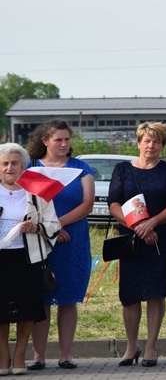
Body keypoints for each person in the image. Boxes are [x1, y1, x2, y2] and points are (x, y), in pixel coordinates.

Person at [108, 122, 166, 368]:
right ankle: (132, 346)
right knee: (130, 296)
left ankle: (151, 346)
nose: (152, 145)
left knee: (154, 292)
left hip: (159, 239)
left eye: (157, 141)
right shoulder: (122, 170)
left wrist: (151, 224)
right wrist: (138, 227)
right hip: (132, 241)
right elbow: (114, 204)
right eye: (147, 140)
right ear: (138, 143)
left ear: (163, 145)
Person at [26, 120, 95, 370]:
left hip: (73, 240)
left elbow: (87, 204)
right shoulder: (30, 167)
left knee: (67, 298)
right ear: (45, 141)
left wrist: (58, 225)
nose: (65, 144)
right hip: (38, 241)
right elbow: (25, 203)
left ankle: (66, 355)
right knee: (41, 298)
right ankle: (38, 356)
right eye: (59, 140)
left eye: (67, 139)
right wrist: (49, 230)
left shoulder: (81, 168)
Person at [0, 144, 61, 376]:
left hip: (28, 259)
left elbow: (54, 225)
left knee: (26, 310)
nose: (9, 167)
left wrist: (35, 227)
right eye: (4, 163)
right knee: (1, 311)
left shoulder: (37, 192)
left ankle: (20, 355)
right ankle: (3, 356)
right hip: (1, 259)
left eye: (15, 163)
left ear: (23, 166)